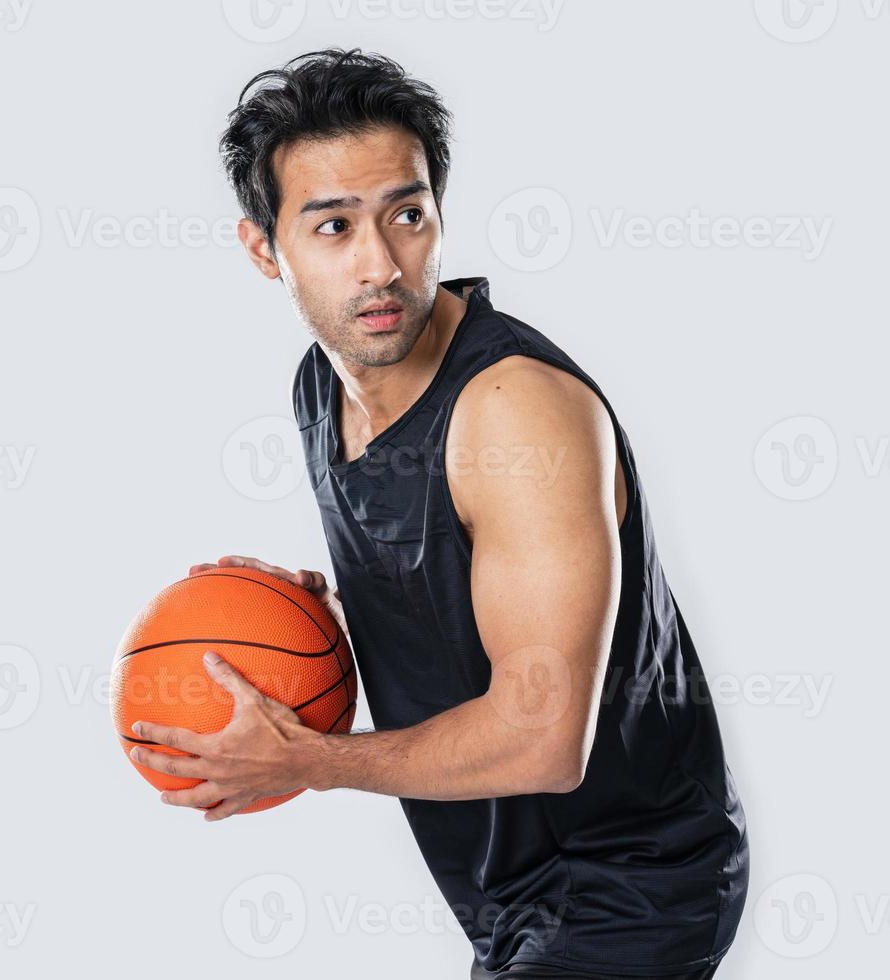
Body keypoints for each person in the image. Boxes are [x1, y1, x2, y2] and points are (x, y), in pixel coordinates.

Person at [130, 48, 747, 979]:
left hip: (632, 887)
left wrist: (310, 759)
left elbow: (544, 737)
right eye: (333, 227)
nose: (381, 266)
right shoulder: (325, 384)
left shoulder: (516, 414)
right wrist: (319, 612)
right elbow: (446, 560)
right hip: (504, 893)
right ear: (266, 250)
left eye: (406, 216)